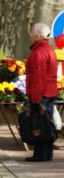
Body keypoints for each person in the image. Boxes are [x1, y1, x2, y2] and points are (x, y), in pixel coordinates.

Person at [25, 22, 58, 162]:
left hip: (41, 94)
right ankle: (47, 153)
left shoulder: (38, 53)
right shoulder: (49, 49)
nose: (30, 36)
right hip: (49, 92)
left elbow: (38, 77)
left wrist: (36, 98)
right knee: (47, 124)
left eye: (32, 33)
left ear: (38, 35)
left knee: (39, 124)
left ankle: (39, 154)